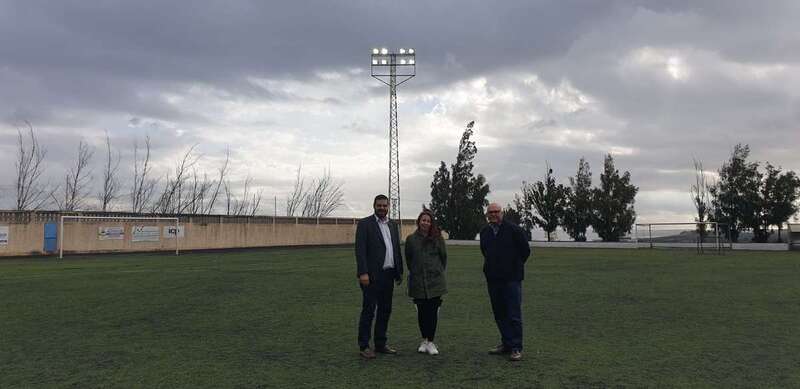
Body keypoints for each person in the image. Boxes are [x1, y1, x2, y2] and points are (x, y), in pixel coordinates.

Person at [479, 202, 531, 362]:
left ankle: (516, 348)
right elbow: (485, 252)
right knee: (499, 313)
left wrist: (512, 267)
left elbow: (525, 251)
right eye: (490, 212)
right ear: (487, 215)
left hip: (511, 280)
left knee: (513, 314)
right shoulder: (485, 232)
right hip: (493, 280)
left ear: (502, 213)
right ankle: (506, 343)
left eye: (496, 211)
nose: (493, 214)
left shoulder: (514, 230)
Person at [355, 194, 403, 359]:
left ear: (388, 207)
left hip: (388, 275)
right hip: (371, 277)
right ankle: (364, 346)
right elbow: (360, 250)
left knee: (385, 310)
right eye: (379, 205)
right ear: (374, 206)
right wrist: (363, 272)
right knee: (369, 310)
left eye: (385, 205)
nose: (382, 208)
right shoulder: (365, 224)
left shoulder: (392, 225)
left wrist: (399, 272)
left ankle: (380, 344)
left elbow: (395, 249)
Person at [404, 210, 447, 356]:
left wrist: (436, 271)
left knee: (432, 312)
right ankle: (424, 340)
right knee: (421, 313)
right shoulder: (411, 239)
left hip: (435, 282)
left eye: (428, 221)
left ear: (431, 223)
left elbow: (443, 258)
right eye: (423, 220)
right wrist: (417, 271)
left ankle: (431, 341)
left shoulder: (438, 239)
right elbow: (409, 259)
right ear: (419, 221)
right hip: (418, 282)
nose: (425, 223)